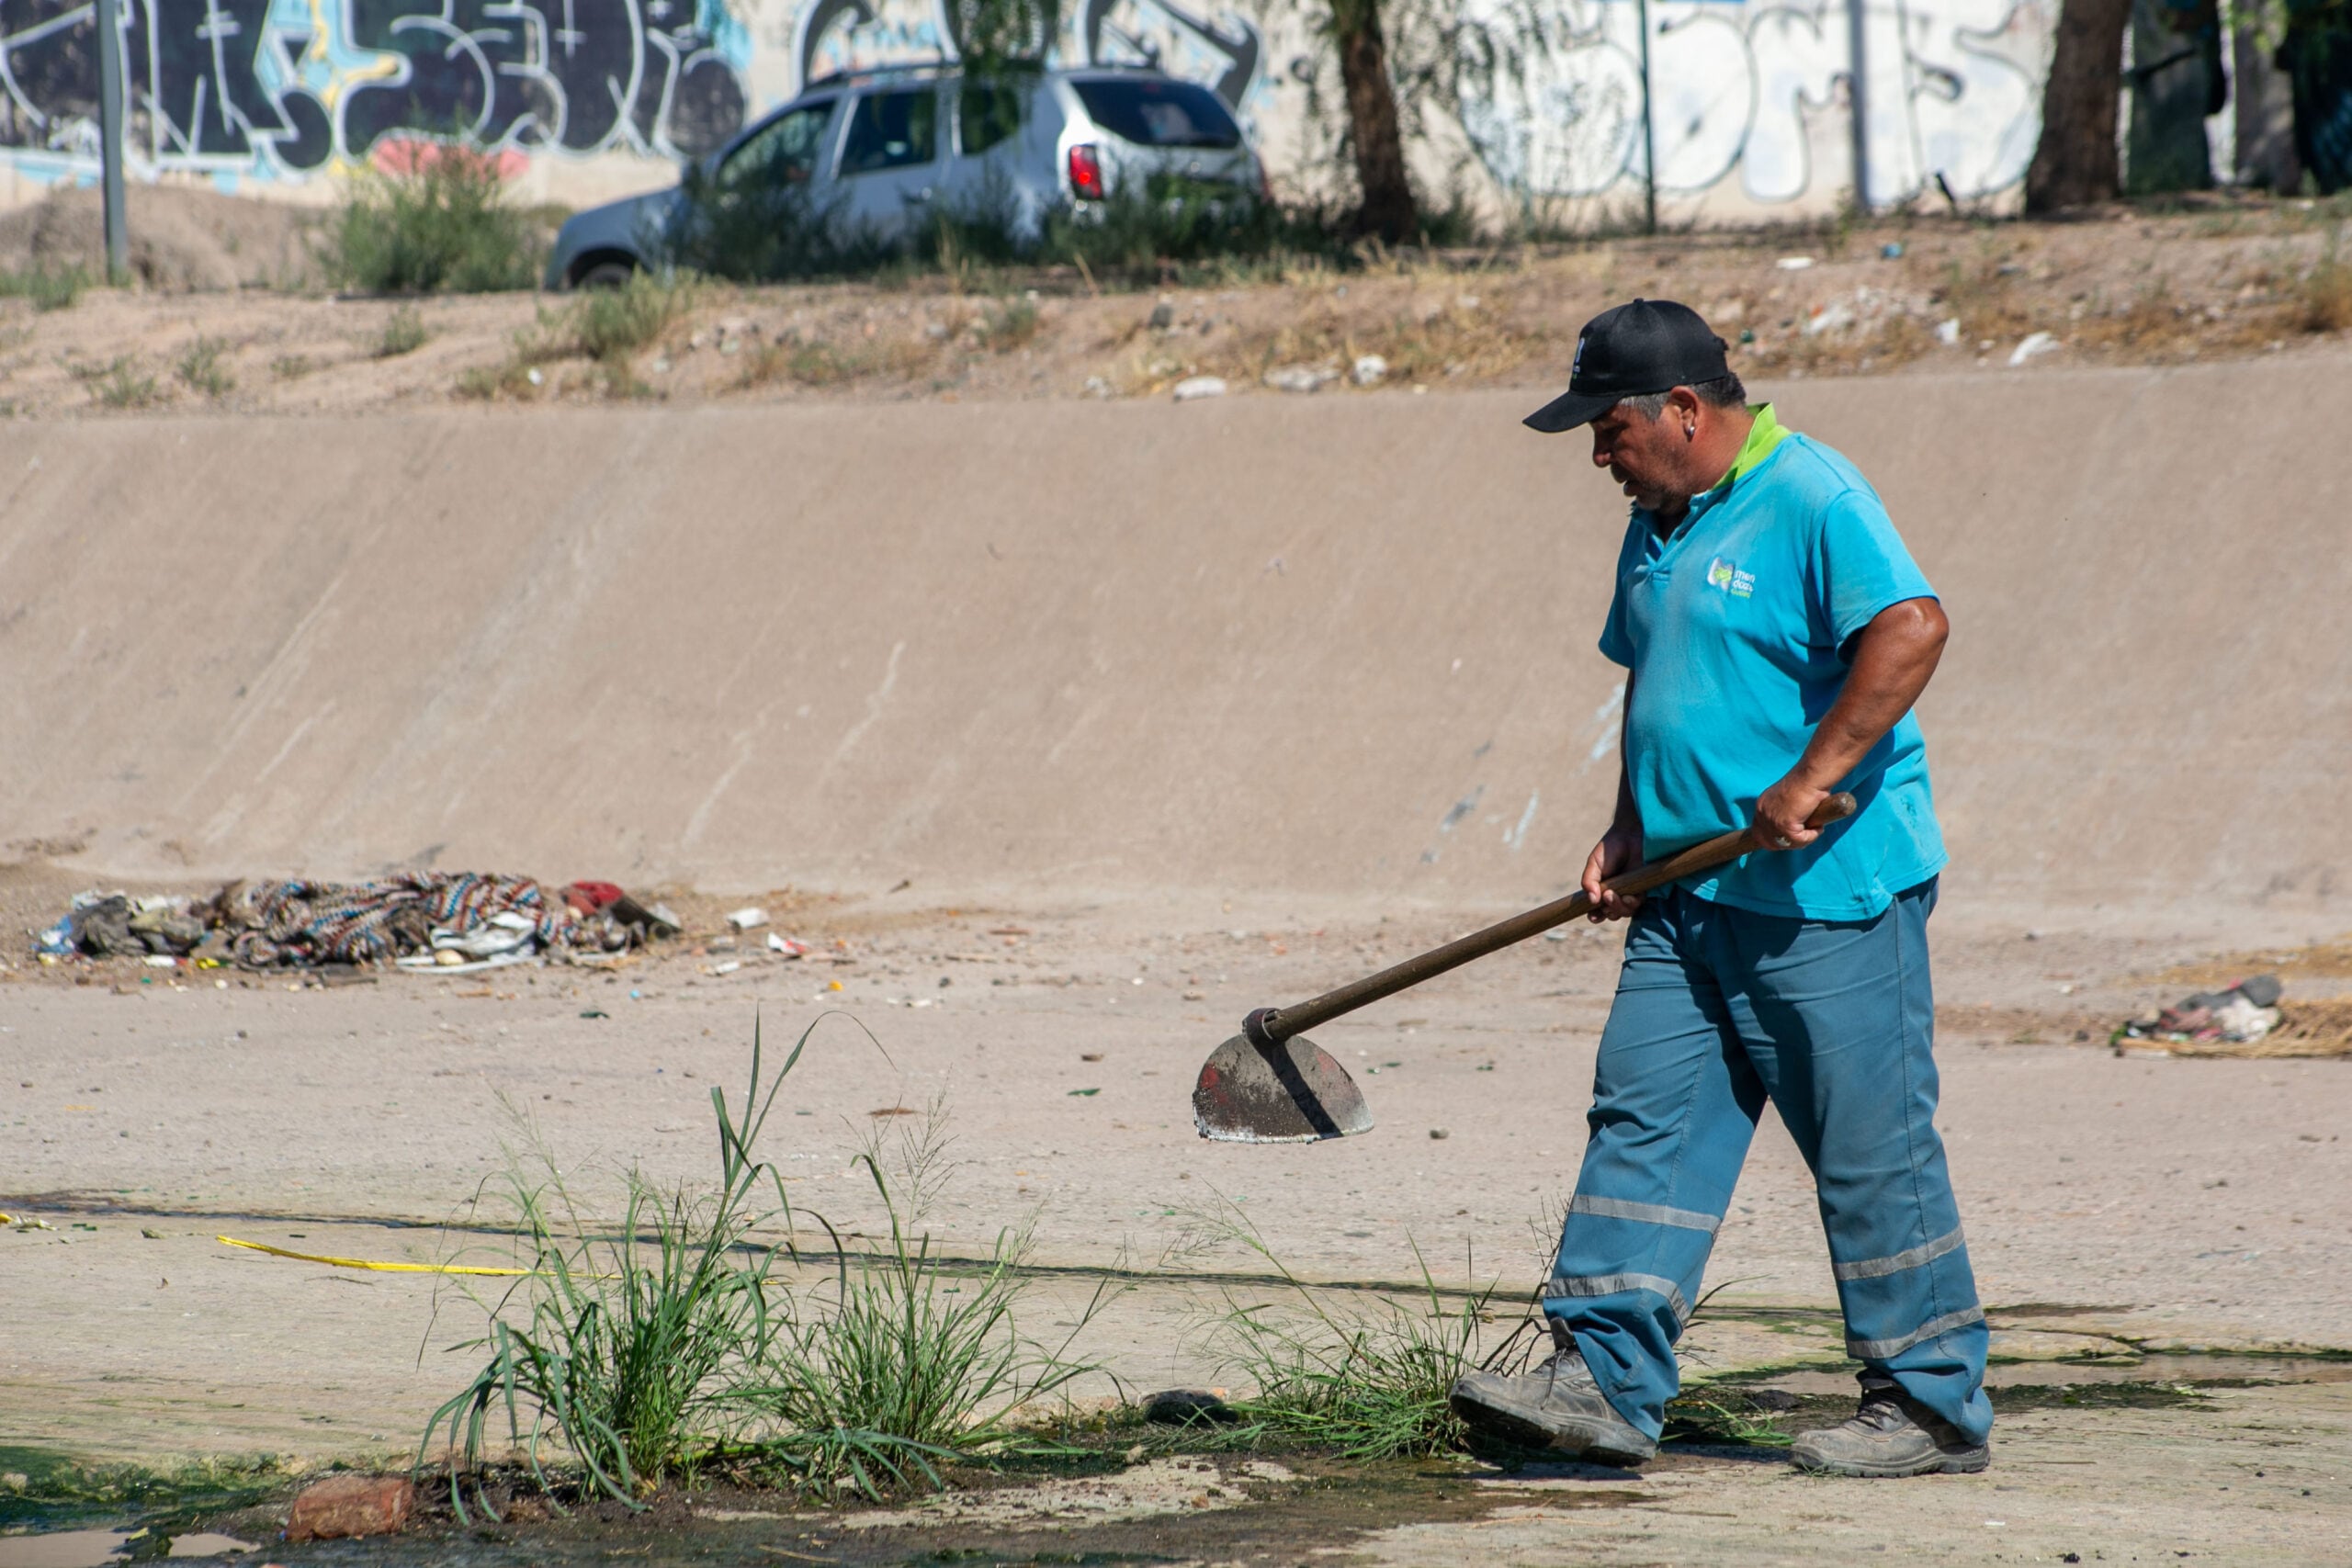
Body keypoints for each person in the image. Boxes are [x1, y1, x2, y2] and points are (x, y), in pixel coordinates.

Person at [1447, 299, 1992, 1478]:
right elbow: (1666, 686)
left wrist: (1810, 777)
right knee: (1640, 1119)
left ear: (1683, 412)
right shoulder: (1656, 522)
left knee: (1866, 1147)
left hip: (1827, 894)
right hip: (1688, 900)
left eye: (1609, 429)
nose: (1598, 455)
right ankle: (1599, 1381)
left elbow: (1911, 627)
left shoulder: (1811, 496)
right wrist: (1627, 824)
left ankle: (1929, 1404)